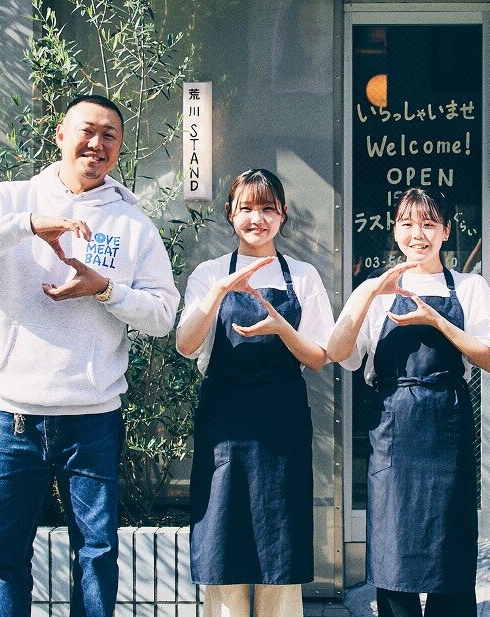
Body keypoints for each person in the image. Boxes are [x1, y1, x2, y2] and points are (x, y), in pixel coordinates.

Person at [0, 94, 180, 617]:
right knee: (3, 553)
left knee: (96, 553)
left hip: (92, 417)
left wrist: (105, 289)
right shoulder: (10, 198)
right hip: (12, 414)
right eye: (86, 130)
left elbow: (162, 316)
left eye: (109, 135)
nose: (97, 143)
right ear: (60, 136)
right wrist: (25, 225)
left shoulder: (132, 224)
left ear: (118, 149)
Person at [328, 188, 490, 617]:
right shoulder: (374, 289)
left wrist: (436, 320)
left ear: (445, 230)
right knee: (394, 556)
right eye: (407, 223)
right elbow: (337, 351)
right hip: (393, 426)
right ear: (395, 230)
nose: (418, 234)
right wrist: (369, 294)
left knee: (451, 554)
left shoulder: (469, 286)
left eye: (428, 224)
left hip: (447, 424)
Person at [176, 169, 334, 617]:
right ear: (230, 214)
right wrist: (222, 291)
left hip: (280, 421)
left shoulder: (301, 275)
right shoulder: (210, 273)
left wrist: (282, 327)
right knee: (223, 537)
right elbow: (186, 344)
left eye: (267, 208)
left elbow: (319, 356)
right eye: (246, 208)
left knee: (278, 540)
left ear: (282, 216)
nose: (257, 219)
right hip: (224, 422)